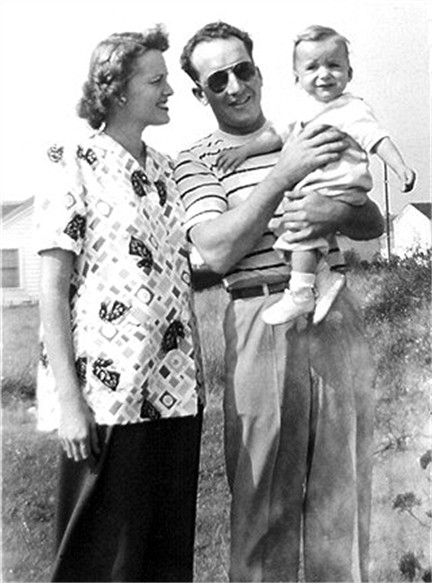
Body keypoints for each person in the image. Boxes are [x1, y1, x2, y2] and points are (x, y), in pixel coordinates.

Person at [175, 21, 385, 583]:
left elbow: (369, 216)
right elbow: (215, 249)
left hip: (334, 308)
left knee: (341, 483)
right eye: (218, 79)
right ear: (201, 93)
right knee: (264, 488)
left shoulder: (311, 123)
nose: (236, 85)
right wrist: (283, 176)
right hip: (259, 315)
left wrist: (336, 213)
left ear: (261, 71)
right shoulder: (196, 161)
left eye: (243, 69)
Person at [34, 26, 204, 583]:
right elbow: (53, 291)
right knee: (98, 559)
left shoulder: (164, 170)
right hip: (108, 396)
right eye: (156, 80)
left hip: (175, 390)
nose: (170, 91)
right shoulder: (73, 158)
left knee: (162, 555)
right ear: (116, 90)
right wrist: (70, 402)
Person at [215, 24, 416, 327]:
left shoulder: (351, 109)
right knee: (288, 229)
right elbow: (275, 136)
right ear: (297, 78)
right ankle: (323, 277)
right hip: (315, 190)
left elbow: (377, 139)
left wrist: (399, 167)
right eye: (312, 67)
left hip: (338, 188)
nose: (324, 74)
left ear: (349, 73)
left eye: (334, 65)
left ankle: (300, 292)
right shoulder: (303, 111)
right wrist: (244, 152)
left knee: (301, 230)